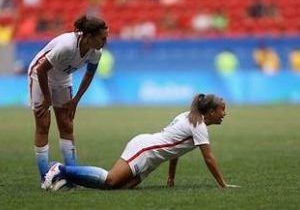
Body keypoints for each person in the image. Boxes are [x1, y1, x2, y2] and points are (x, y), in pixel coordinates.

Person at [44, 93, 240, 190]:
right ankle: (59, 169)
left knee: (117, 188)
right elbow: (209, 158)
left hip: (151, 160)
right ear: (212, 111)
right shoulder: (198, 125)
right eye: (222, 109)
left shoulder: (189, 117)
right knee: (110, 180)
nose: (225, 113)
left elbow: (176, 150)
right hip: (145, 150)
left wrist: (171, 177)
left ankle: (65, 178)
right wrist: (223, 185)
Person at [28, 15, 108, 189]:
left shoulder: (96, 52)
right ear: (88, 36)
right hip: (40, 74)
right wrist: (47, 98)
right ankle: (45, 178)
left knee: (66, 125)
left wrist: (76, 100)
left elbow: (89, 74)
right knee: (43, 124)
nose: (105, 41)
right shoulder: (66, 46)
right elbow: (42, 69)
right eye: (102, 37)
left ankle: (73, 178)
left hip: (63, 78)